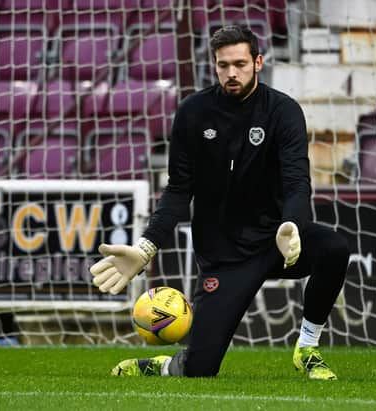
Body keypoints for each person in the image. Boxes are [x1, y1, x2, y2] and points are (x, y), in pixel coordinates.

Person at [89, 25, 349, 380]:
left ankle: (307, 347)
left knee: (334, 248)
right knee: (200, 369)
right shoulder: (193, 113)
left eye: (240, 64)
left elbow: (297, 182)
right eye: (223, 65)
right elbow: (178, 191)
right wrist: (147, 247)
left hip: (278, 240)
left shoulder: (283, 112)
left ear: (258, 62)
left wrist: (293, 224)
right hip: (224, 255)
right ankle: (164, 364)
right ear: (214, 65)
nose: (232, 73)